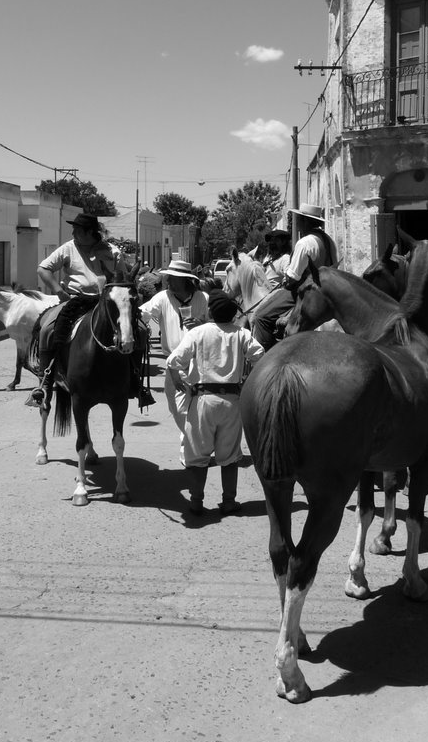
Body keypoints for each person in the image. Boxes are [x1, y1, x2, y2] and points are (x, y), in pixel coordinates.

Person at [31, 213, 154, 407]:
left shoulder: (112, 251)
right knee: (47, 328)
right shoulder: (68, 248)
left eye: (77, 230)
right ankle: (45, 383)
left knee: (141, 330)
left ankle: (135, 381)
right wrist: (58, 291)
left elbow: (122, 278)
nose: (73, 233)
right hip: (75, 300)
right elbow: (43, 269)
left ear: (90, 232)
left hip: (108, 302)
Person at [166, 288, 264, 515]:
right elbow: (260, 355)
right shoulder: (241, 334)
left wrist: (176, 379)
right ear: (232, 314)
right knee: (229, 457)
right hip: (232, 401)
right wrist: (249, 380)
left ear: (210, 311)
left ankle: (196, 502)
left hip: (203, 400)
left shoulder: (198, 332)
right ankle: (229, 502)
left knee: (198, 455)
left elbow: (174, 360)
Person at [251, 204, 339, 351]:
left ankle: (264, 358)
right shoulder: (328, 240)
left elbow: (293, 278)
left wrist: (286, 280)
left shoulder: (304, 243)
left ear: (303, 221)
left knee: (261, 317)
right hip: (327, 289)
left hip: (305, 290)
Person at [139, 258, 208, 421]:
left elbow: (219, 325)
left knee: (200, 408)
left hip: (200, 362)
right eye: (168, 276)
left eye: (172, 277)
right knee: (176, 409)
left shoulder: (203, 298)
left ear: (184, 280)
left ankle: (191, 443)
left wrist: (202, 324)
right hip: (174, 362)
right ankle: (192, 441)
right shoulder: (163, 298)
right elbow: (143, 314)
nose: (167, 280)